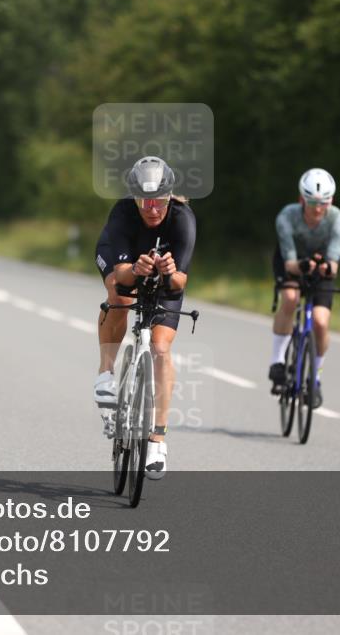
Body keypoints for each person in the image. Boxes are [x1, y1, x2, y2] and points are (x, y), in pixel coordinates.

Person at [93, 156, 197, 480]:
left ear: (170, 196)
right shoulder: (123, 213)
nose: (153, 209)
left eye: (160, 201)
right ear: (135, 198)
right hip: (126, 269)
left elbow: (181, 281)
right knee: (118, 296)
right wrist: (134, 270)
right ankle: (106, 375)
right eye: (146, 201)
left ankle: (158, 439)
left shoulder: (182, 219)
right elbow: (119, 271)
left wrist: (169, 272)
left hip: (166, 282)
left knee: (161, 350)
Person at [268, 168, 340, 408]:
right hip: (290, 261)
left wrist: (324, 268)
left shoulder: (338, 220)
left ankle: (315, 379)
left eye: (323, 203)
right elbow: (290, 262)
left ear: (330, 201)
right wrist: (302, 265)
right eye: (312, 202)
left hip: (320, 268)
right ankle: (277, 361)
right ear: (301, 200)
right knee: (291, 299)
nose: (317, 208)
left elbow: (334, 264)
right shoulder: (287, 217)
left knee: (321, 322)